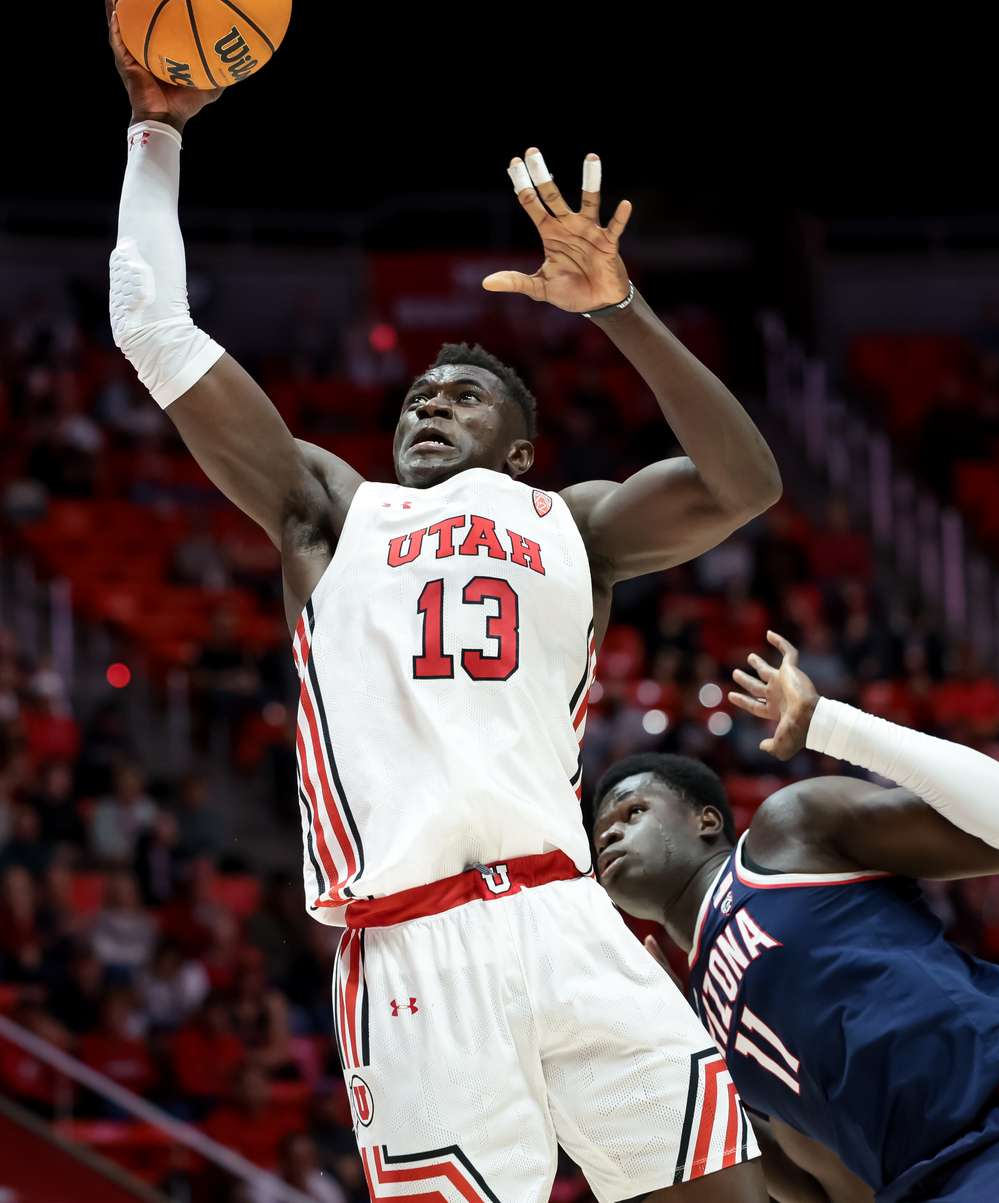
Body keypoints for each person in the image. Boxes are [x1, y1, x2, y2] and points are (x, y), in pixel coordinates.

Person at [104, 7, 780, 1202]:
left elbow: (744, 484)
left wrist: (620, 308)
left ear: (522, 452)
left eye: (465, 396)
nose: (430, 404)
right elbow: (153, 328)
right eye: (419, 393)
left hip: (571, 919)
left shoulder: (571, 525)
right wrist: (155, 137)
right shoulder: (328, 511)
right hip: (416, 944)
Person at [593, 632, 999, 1203]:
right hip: (928, 1182)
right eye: (600, 834)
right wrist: (676, 1052)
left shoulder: (783, 837)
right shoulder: (702, 1020)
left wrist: (829, 724)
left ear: (706, 820)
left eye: (633, 810)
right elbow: (826, 1188)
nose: (611, 832)